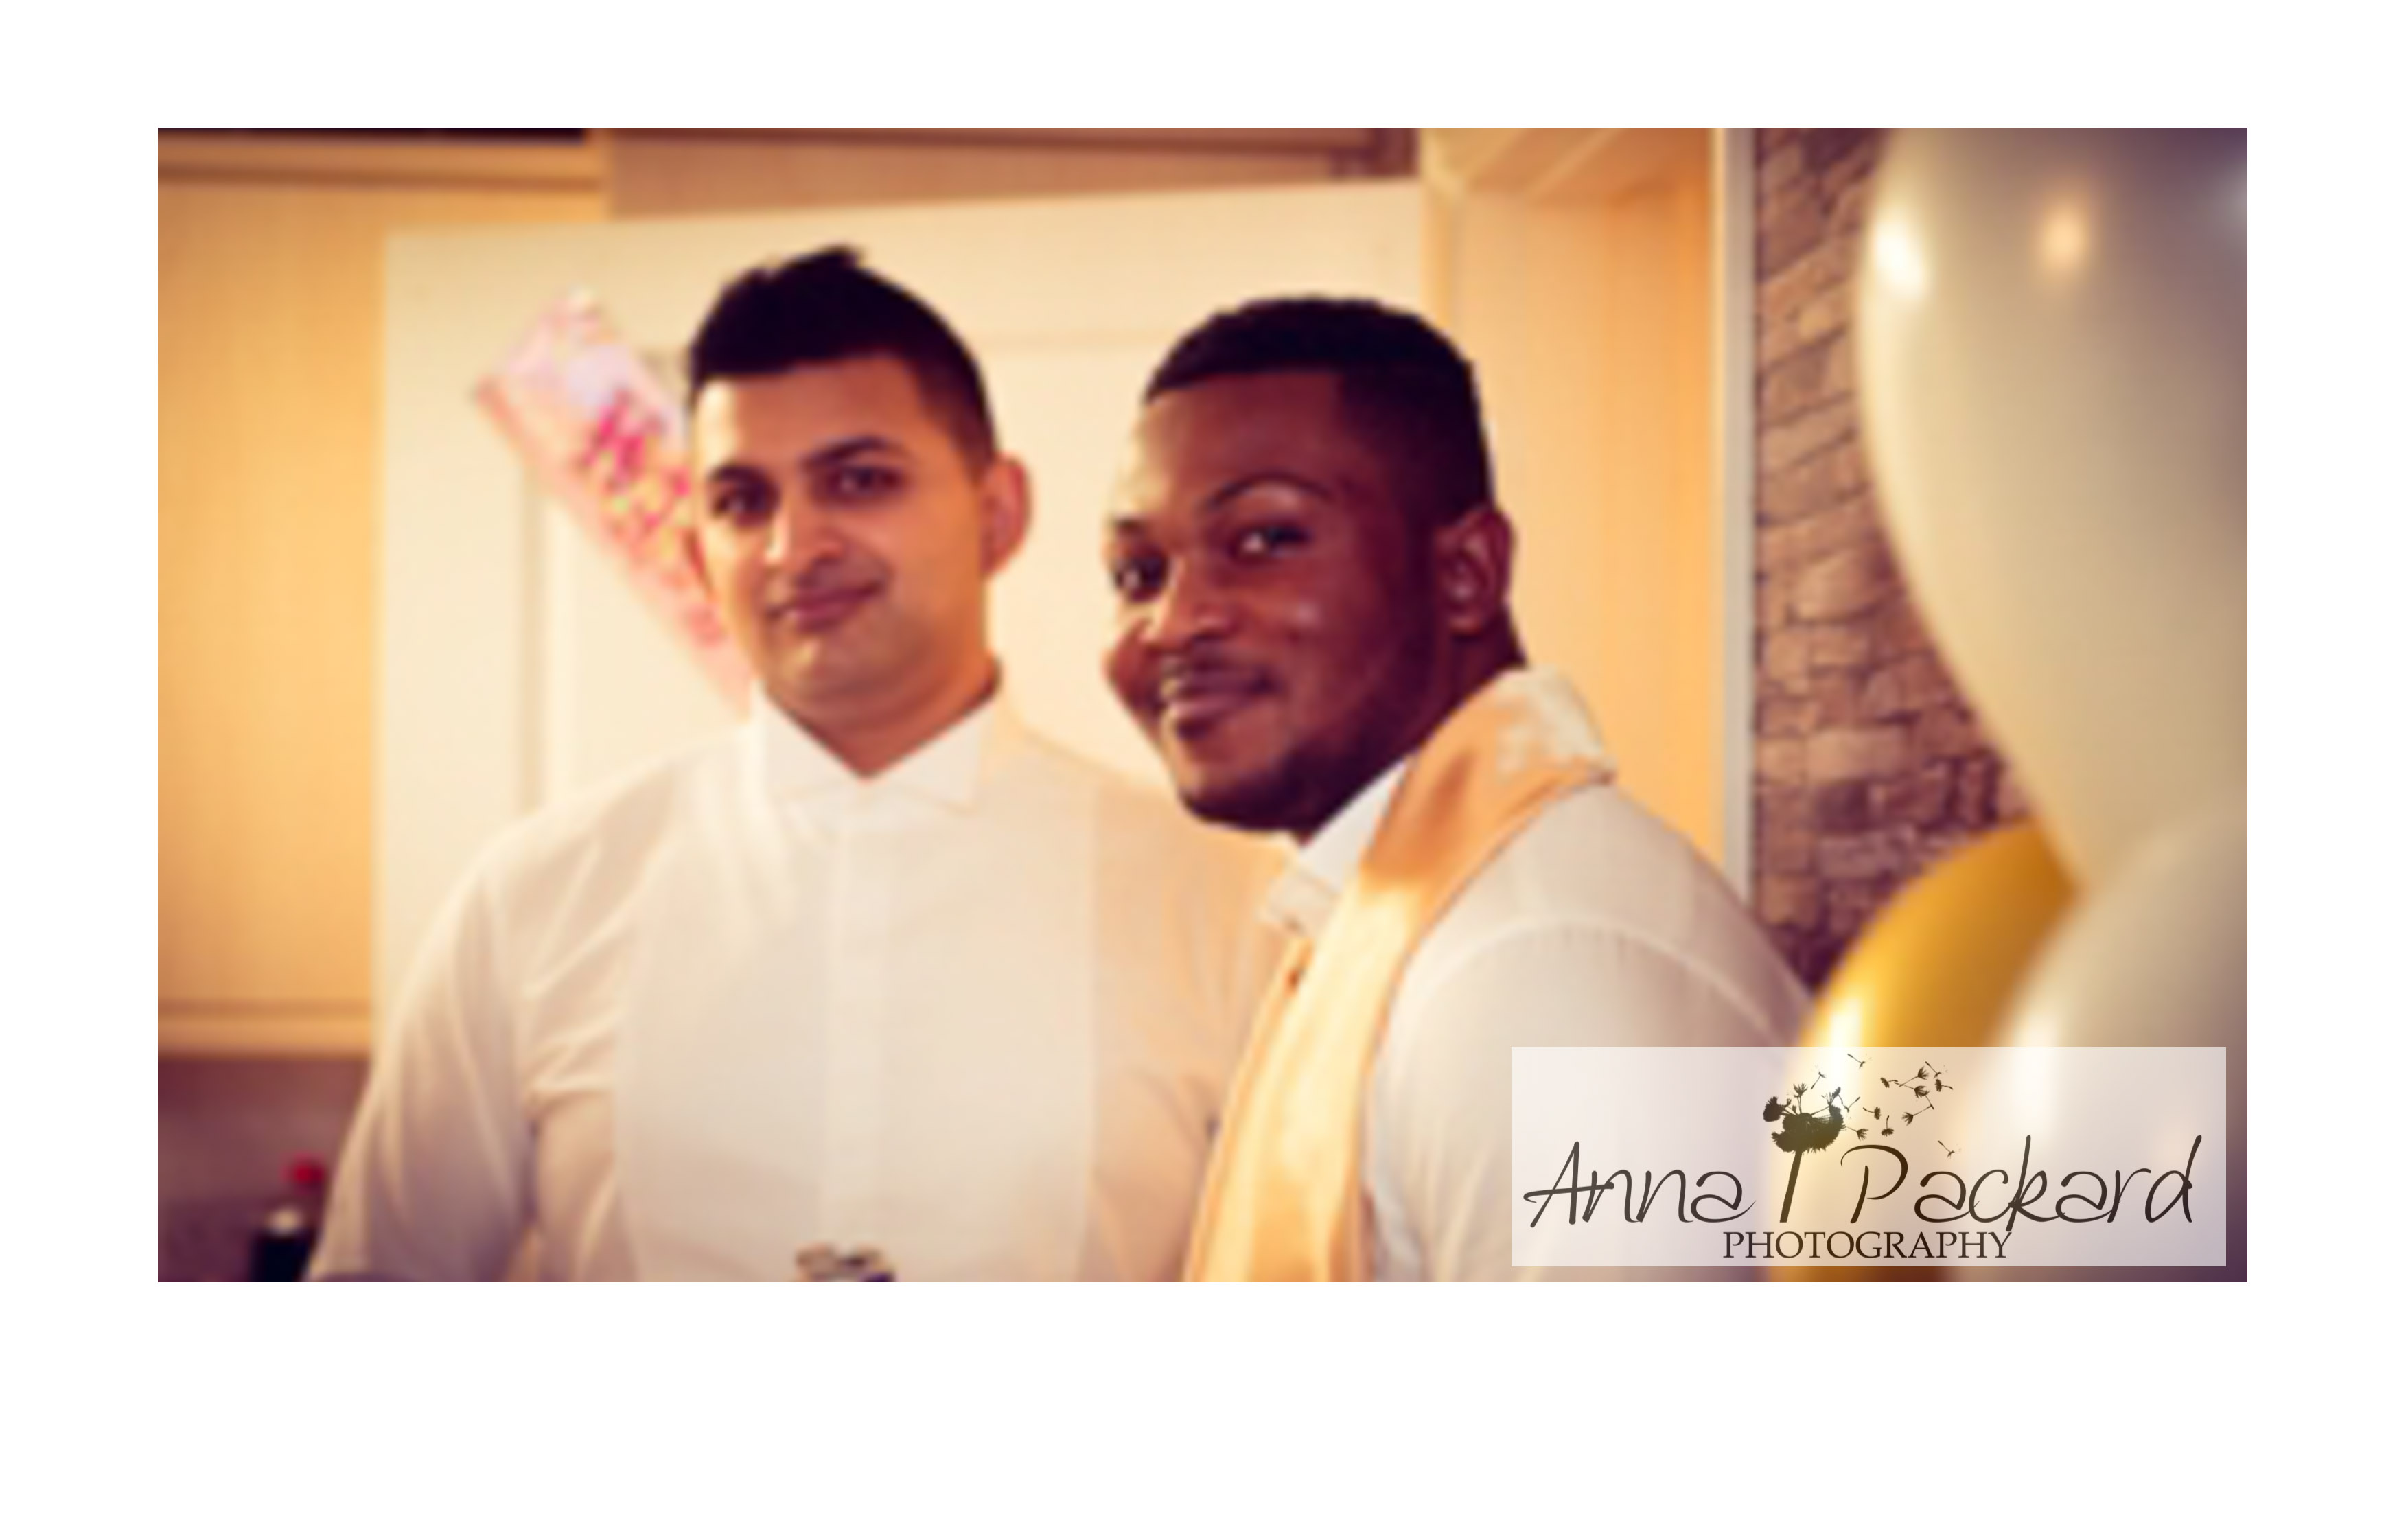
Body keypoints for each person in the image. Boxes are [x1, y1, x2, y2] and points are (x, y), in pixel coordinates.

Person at [314, 248, 1280, 1280]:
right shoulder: (534, 900)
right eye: (741, 501)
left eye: (859, 481)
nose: (794, 547)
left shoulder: (1227, 904)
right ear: (698, 556)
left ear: (998, 514)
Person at [1102, 296, 1809, 1282]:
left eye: (1264, 540)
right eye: (1139, 572)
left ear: (1468, 574)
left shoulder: (1537, 966)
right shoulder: (1404, 916)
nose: (1172, 624)